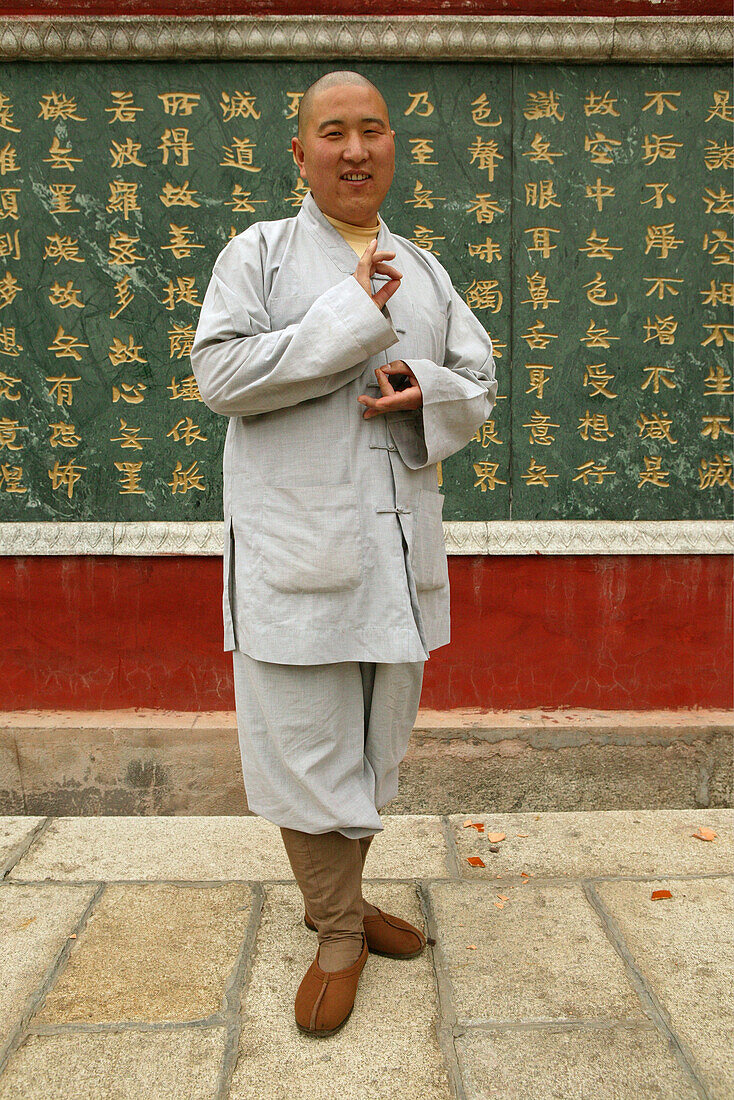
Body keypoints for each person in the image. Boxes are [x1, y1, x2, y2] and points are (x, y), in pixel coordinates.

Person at [190, 69, 497, 1037]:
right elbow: (221, 374)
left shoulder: (426, 267)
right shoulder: (260, 255)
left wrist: (427, 389)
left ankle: (345, 901)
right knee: (306, 746)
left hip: (393, 551)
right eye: (333, 132)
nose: (354, 149)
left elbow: (478, 378)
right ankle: (334, 928)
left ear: (392, 148)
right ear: (301, 152)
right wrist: (351, 321)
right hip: (297, 548)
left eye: (371, 130)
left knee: (372, 747)